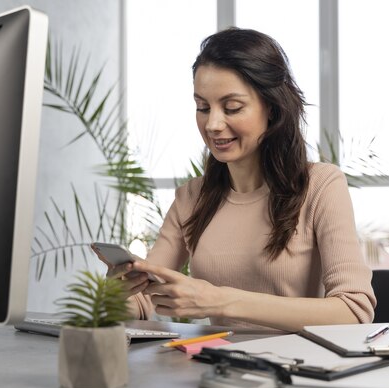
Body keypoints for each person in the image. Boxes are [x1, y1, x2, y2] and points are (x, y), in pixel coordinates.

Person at [119, 27, 375, 332]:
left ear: (271, 107)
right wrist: (122, 294)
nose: (212, 124)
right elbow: (146, 297)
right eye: (202, 107)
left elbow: (353, 310)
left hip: (298, 370)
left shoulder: (321, 186)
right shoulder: (191, 198)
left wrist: (220, 301)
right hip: (217, 368)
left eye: (232, 107)